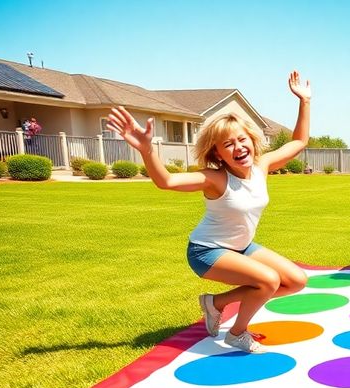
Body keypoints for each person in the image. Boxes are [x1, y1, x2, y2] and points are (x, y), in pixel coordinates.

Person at [106, 71, 314, 353]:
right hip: (206, 251)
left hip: (241, 248)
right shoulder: (214, 179)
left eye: (242, 139)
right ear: (217, 154)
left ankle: (215, 303)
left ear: (252, 140)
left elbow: (298, 142)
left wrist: (305, 101)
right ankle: (237, 333)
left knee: (296, 280)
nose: (238, 147)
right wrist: (146, 150)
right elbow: (166, 181)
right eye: (228, 144)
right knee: (268, 280)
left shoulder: (261, 166)